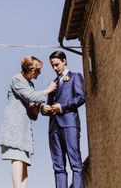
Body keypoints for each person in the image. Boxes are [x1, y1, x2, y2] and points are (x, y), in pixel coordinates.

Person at [0, 56, 57, 188]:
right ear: (31, 70)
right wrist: (48, 90)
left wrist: (37, 108)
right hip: (15, 125)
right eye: (38, 70)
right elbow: (30, 96)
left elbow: (32, 110)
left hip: (25, 127)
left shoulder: (30, 85)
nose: (39, 73)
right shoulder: (16, 80)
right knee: (17, 158)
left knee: (24, 161)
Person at [42, 50, 86, 188]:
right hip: (53, 128)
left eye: (57, 64)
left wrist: (61, 107)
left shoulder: (75, 77)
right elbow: (49, 105)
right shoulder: (53, 83)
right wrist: (44, 109)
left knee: (75, 163)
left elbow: (80, 98)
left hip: (69, 124)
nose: (55, 68)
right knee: (58, 166)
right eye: (52, 66)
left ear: (64, 61)